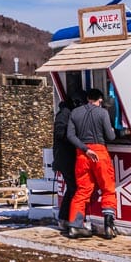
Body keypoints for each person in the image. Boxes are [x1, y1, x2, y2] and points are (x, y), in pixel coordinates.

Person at [66, 88, 118, 240]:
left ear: (87, 98)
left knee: (82, 191)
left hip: (82, 154)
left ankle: (75, 226)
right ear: (100, 100)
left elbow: (70, 135)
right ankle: (109, 227)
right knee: (108, 189)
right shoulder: (102, 113)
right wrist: (113, 130)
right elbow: (110, 136)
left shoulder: (75, 113)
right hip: (100, 153)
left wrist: (85, 149)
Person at [51, 97, 79, 235]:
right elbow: (60, 132)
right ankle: (68, 219)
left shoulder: (65, 112)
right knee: (74, 188)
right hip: (65, 158)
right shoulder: (64, 114)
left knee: (72, 188)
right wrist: (74, 136)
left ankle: (64, 218)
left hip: (64, 158)